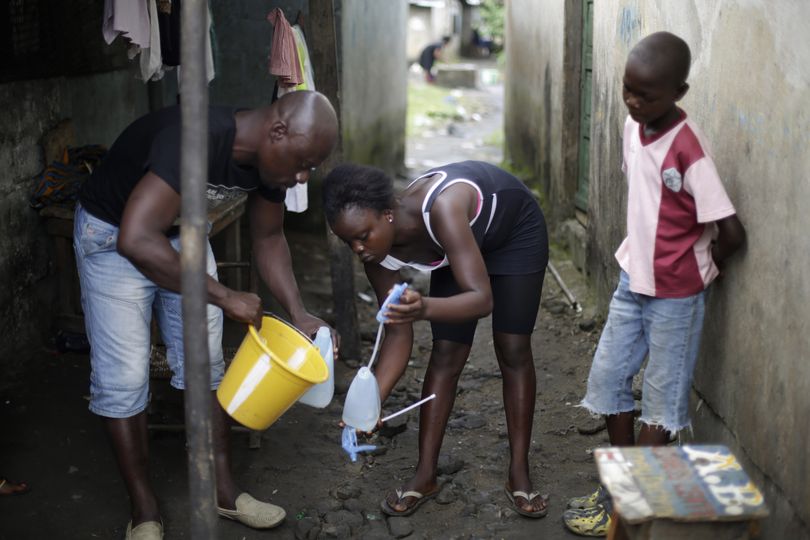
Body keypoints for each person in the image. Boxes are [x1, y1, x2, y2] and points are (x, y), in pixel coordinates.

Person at [73, 90, 339, 538]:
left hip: (183, 237)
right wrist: (223, 295)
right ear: (277, 131)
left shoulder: (271, 161)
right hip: (113, 238)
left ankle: (224, 493)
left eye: (308, 168)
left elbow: (270, 237)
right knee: (124, 379)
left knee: (205, 367)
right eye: (302, 164)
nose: (300, 177)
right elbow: (136, 239)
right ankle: (144, 510)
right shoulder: (192, 139)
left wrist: (300, 311)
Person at [562, 32, 746, 537]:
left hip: (676, 297)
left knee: (662, 403)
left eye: (647, 95)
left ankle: (630, 505)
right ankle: (624, 488)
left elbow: (730, 231)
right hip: (632, 281)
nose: (633, 101)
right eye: (628, 89)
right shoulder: (631, 125)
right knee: (606, 382)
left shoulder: (689, 149)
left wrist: (706, 266)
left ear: (679, 92)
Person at [323, 160, 550, 518]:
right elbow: (398, 334)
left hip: (513, 232)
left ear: (388, 215)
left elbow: (482, 300)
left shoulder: (442, 208)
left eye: (362, 236)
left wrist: (424, 306)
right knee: (446, 352)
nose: (357, 249)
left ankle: (518, 471)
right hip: (455, 251)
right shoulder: (377, 260)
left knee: (513, 347)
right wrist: (369, 405)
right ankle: (425, 475)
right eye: (347, 241)